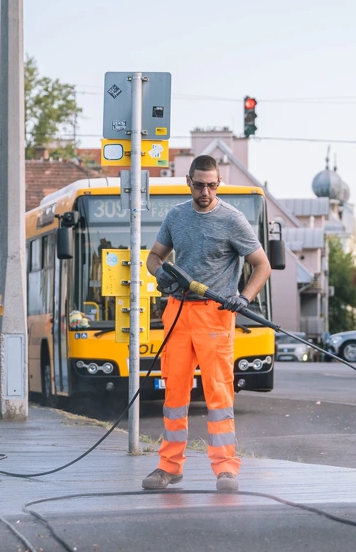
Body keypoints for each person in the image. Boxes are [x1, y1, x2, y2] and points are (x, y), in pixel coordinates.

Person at [141, 155, 271, 492]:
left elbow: (262, 266)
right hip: (178, 313)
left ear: (219, 184)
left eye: (212, 185)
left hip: (215, 315)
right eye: (199, 184)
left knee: (218, 393)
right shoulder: (176, 217)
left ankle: (226, 468)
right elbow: (154, 257)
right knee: (174, 394)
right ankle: (168, 468)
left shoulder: (232, 220)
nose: (205, 191)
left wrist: (244, 298)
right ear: (189, 182)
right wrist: (162, 274)